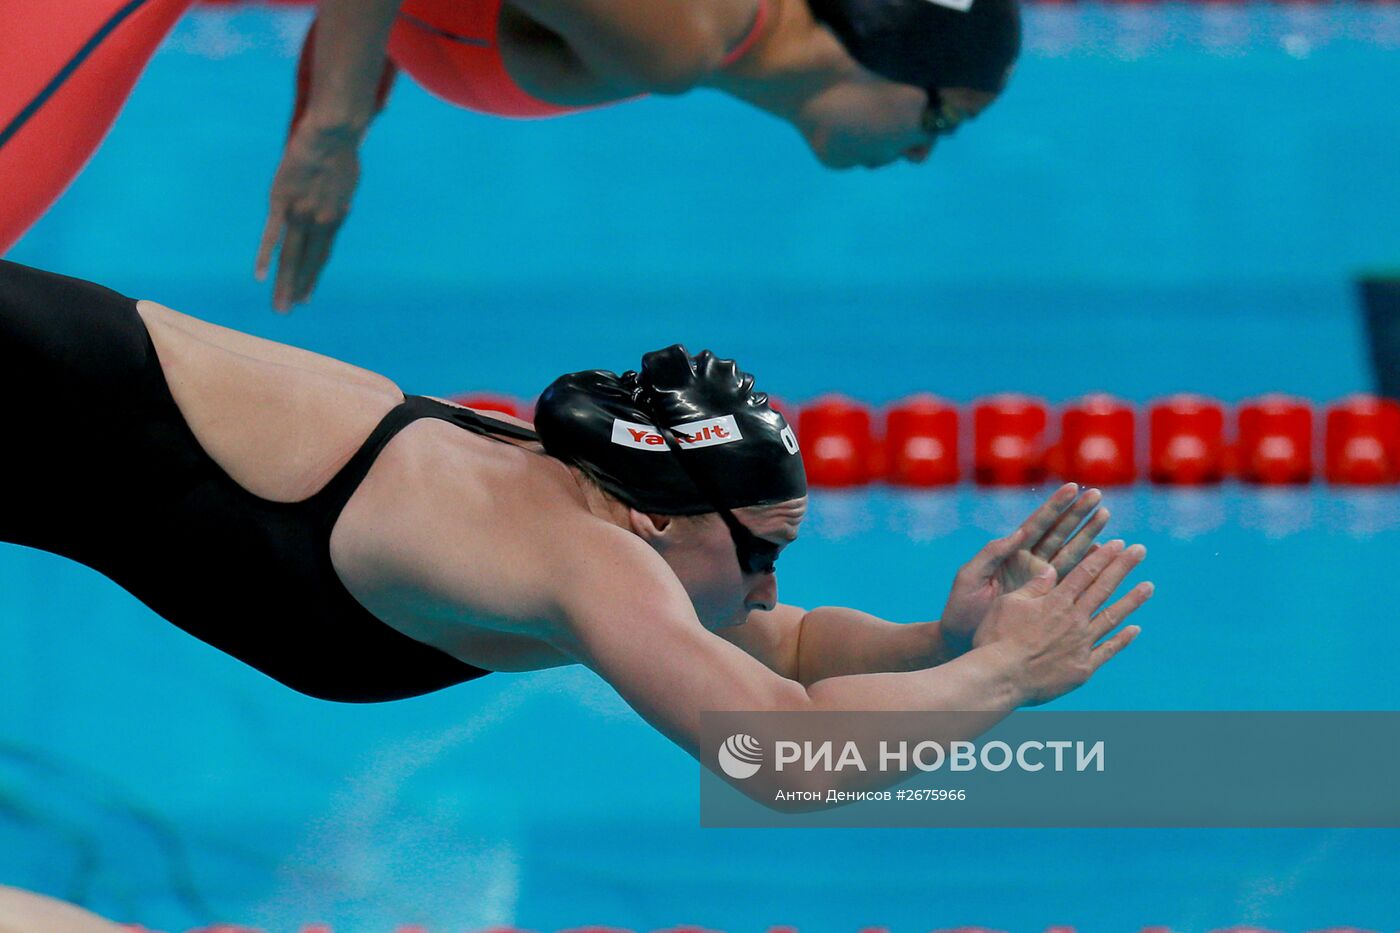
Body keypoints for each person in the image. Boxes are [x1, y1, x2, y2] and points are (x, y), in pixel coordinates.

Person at [0, 258, 1149, 804]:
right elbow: (780, 756)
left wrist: (938, 643)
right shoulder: (581, 554)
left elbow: (782, 653)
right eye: (758, 545)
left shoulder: (611, 533)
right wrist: (1005, 676)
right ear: (657, 512)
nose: (767, 582)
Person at [0, 0, 1019, 306]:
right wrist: (334, 132)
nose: (922, 159)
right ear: (895, 55)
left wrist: (336, 111)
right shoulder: (678, 37)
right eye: (942, 122)